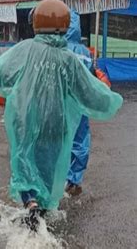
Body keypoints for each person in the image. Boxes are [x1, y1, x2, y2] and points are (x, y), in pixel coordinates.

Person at [0, 0, 123, 226]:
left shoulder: (24, 49)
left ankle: (29, 202)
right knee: (49, 166)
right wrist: (112, 100)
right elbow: (91, 96)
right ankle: (42, 215)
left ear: (36, 23)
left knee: (24, 160)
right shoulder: (71, 60)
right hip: (56, 124)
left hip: (25, 120)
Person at [64, 10, 94, 197]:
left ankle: (53, 179)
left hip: (60, 102)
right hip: (80, 104)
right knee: (80, 141)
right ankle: (74, 180)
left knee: (56, 140)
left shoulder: (56, 48)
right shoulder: (85, 52)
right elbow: (90, 79)